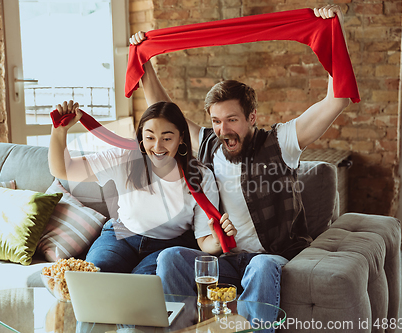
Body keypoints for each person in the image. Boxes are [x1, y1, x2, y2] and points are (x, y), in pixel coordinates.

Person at [129, 4, 352, 309]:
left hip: (271, 259)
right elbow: (165, 111)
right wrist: (144, 57)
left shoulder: (280, 142)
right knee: (170, 257)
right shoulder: (208, 143)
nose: (224, 130)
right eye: (217, 121)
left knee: (260, 268)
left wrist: (333, 32)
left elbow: (336, 100)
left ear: (251, 118)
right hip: (226, 259)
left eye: (232, 119)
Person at [48, 100, 237, 274]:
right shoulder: (124, 157)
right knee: (97, 274)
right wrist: (60, 130)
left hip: (168, 247)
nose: (157, 146)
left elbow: (205, 243)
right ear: (141, 138)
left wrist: (218, 240)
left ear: (181, 138)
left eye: (167, 138)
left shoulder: (201, 177)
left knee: (144, 286)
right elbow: (64, 170)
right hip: (120, 235)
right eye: (150, 137)